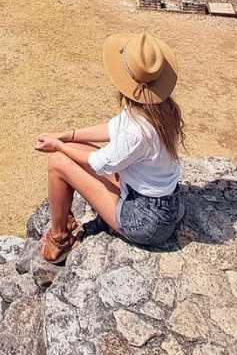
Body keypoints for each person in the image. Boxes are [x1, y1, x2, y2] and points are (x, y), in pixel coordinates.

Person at [34, 31, 185, 263]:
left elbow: (100, 162)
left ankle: (60, 237)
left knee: (57, 163)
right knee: (71, 146)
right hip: (161, 202)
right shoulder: (160, 109)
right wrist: (66, 136)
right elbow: (112, 128)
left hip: (145, 219)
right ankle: (65, 222)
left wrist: (58, 146)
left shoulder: (138, 129)